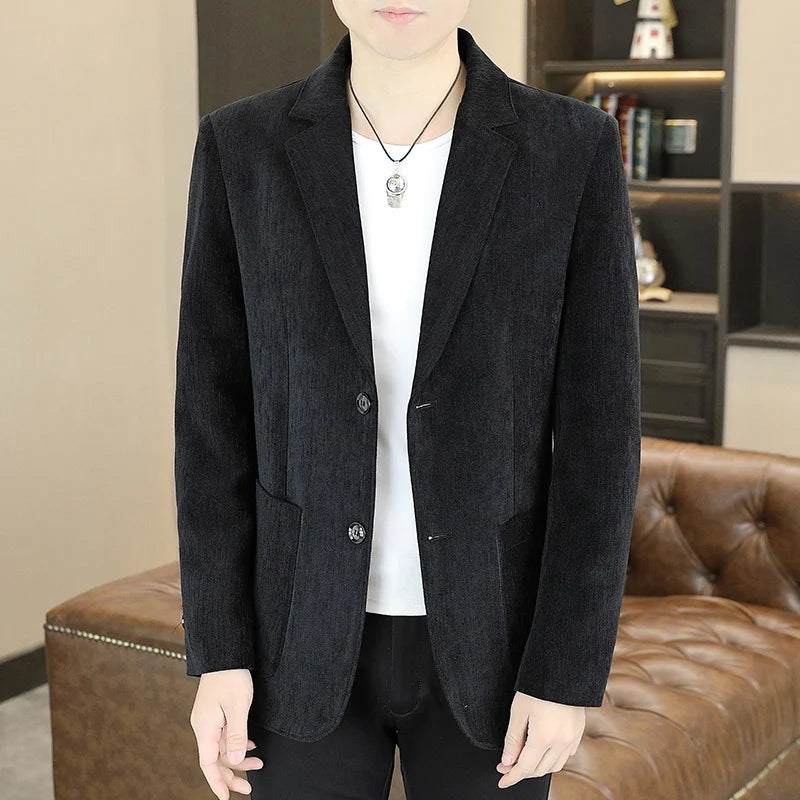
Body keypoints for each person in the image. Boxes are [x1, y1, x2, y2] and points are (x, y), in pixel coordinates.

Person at [174, 1, 641, 799]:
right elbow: (210, 423)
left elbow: (601, 439)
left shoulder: (570, 148)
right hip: (298, 636)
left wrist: (565, 671)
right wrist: (220, 651)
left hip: (497, 643)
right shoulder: (240, 145)